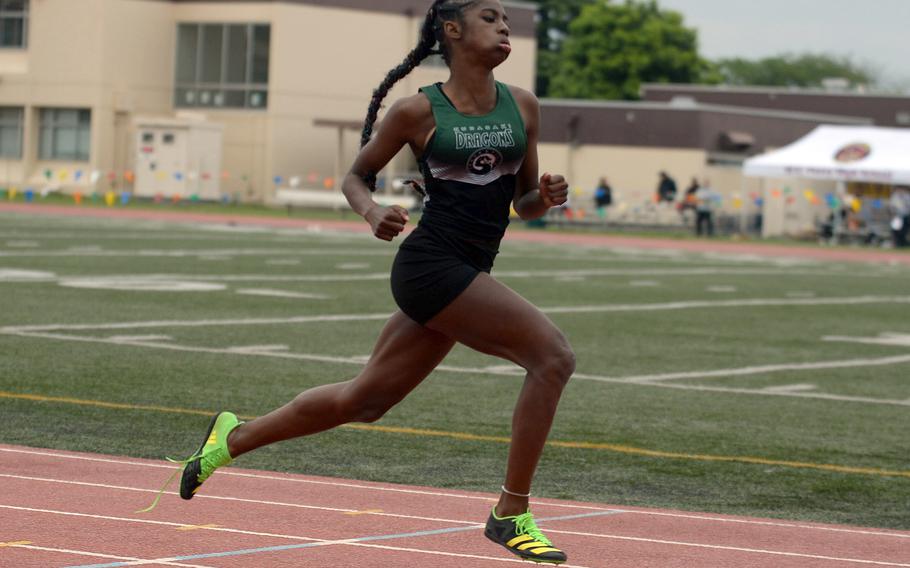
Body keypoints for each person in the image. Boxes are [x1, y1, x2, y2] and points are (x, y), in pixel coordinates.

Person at [165, 1, 574, 564]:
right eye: (489, 16)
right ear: (451, 31)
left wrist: (545, 196)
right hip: (431, 268)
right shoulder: (417, 111)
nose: (504, 26)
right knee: (552, 358)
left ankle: (229, 439)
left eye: (506, 18)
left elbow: (523, 202)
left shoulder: (523, 106)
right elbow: (357, 175)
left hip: (468, 272)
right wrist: (370, 211)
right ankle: (510, 513)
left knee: (365, 400)